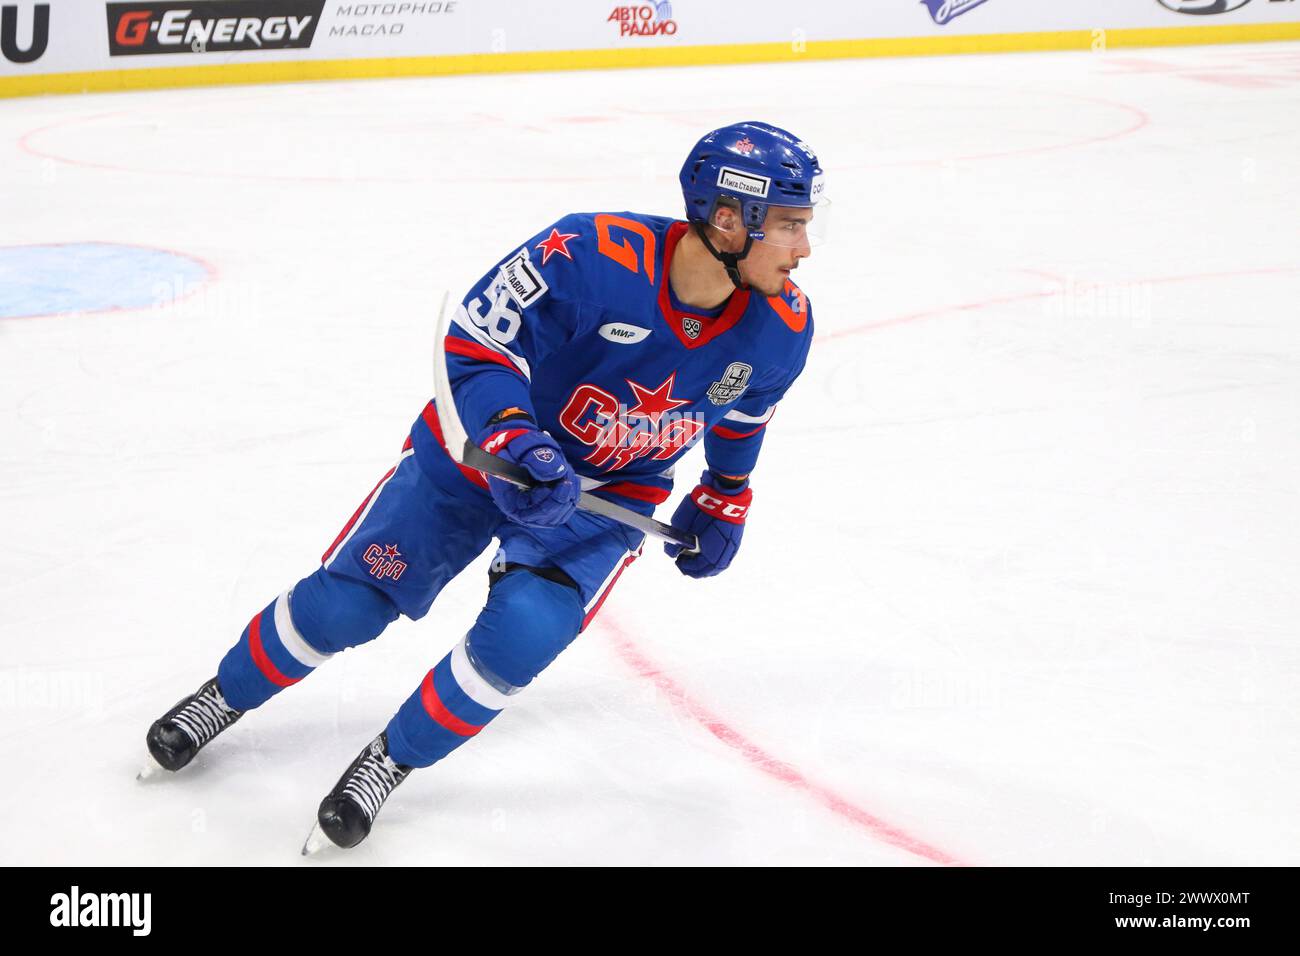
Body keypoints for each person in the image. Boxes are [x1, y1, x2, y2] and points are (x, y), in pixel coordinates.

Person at [142, 121, 826, 851]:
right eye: (789, 226)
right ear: (729, 218)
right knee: (348, 605)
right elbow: (478, 341)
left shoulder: (783, 325)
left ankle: (388, 762)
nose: (804, 250)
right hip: (484, 461)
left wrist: (726, 490)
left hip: (604, 500)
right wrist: (514, 438)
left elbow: (744, 405)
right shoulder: (591, 255)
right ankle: (223, 696)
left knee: (524, 635)